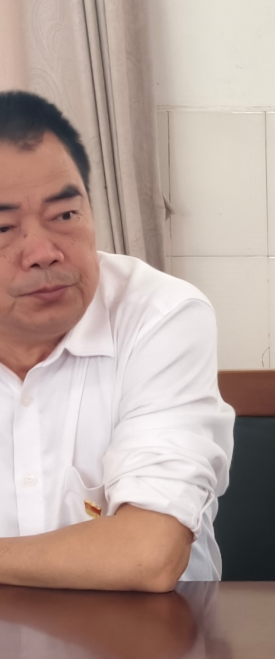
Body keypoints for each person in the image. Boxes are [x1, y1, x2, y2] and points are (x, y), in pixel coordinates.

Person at [0, 91, 233, 591]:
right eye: (3, 227)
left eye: (65, 215)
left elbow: (148, 555)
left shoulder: (160, 315)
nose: (43, 252)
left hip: (147, 637)